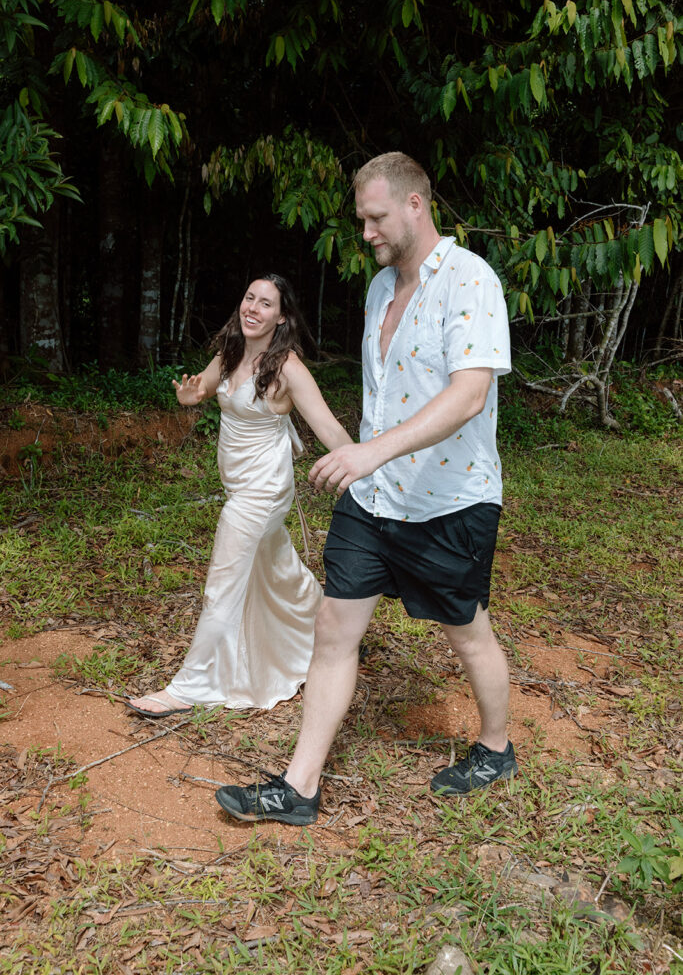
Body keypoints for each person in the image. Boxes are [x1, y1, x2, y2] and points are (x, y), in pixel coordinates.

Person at [215, 152, 515, 826]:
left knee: (465, 631)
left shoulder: (469, 281)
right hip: (371, 499)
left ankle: (495, 747)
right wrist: (365, 463)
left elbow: (469, 396)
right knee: (333, 628)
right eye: (361, 219)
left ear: (415, 205)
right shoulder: (382, 288)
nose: (366, 232)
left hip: (448, 501)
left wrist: (367, 451)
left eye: (375, 217)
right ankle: (299, 787)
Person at [127, 273, 352, 718]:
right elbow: (204, 390)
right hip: (239, 485)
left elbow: (328, 428)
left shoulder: (287, 367)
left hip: (262, 491)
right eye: (249, 298)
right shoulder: (230, 352)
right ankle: (328, 625)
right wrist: (191, 397)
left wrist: (366, 466)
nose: (253, 308)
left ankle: (189, 687)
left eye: (266, 303)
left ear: (281, 316)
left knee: (223, 582)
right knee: (274, 567)